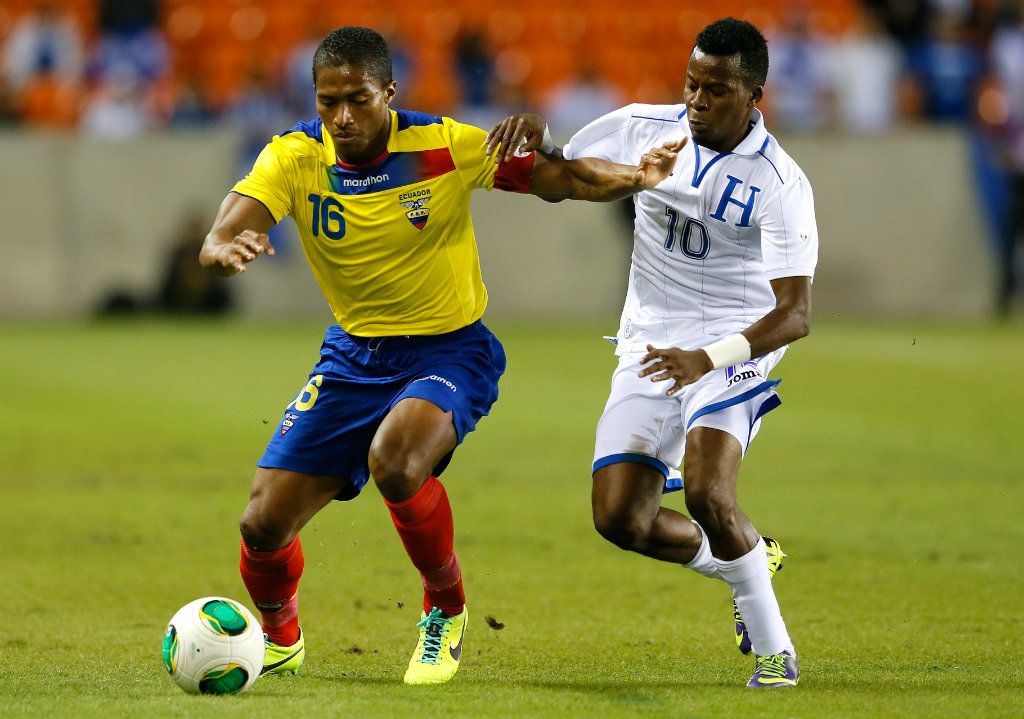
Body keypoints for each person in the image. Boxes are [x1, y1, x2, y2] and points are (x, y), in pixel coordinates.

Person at [198, 26, 680, 686]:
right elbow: (222, 233)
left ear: (389, 93)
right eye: (328, 101)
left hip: (449, 350)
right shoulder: (293, 156)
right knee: (262, 524)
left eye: (358, 99)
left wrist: (638, 176)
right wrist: (222, 253)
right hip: (351, 358)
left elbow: (563, 178)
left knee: (396, 462)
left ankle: (444, 607)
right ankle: (281, 639)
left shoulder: (442, 146)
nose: (342, 116)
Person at [487, 17, 818, 688]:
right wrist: (540, 139)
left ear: (753, 96)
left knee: (707, 492)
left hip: (733, 346)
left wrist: (709, 357)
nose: (697, 100)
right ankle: (745, 560)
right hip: (648, 340)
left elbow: (794, 314)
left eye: (716, 90)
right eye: (692, 84)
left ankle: (775, 653)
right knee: (619, 516)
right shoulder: (643, 126)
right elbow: (565, 174)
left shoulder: (780, 181)